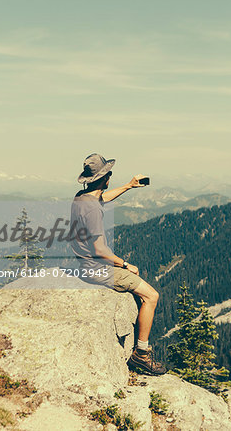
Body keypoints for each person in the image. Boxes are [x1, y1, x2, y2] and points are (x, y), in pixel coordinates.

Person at [70, 153, 166, 375]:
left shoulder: (81, 198)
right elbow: (100, 250)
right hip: (97, 269)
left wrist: (129, 186)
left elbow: (102, 198)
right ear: (105, 178)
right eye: (109, 174)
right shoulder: (92, 209)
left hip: (85, 265)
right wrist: (124, 265)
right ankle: (141, 354)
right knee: (152, 296)